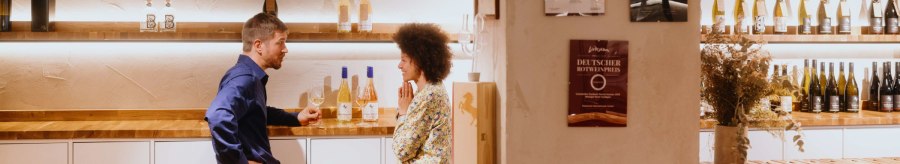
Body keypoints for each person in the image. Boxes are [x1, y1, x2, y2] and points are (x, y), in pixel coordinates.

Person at [205, 13, 321, 164]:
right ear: (259, 46)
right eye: (280, 42)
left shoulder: (248, 75)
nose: (285, 49)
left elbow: (256, 110)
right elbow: (217, 116)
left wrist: (295, 117)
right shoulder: (245, 78)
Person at [392, 23, 453, 164]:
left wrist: (403, 113)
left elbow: (402, 151)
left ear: (419, 61)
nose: (399, 65)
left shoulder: (429, 96)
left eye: (404, 60)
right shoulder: (429, 90)